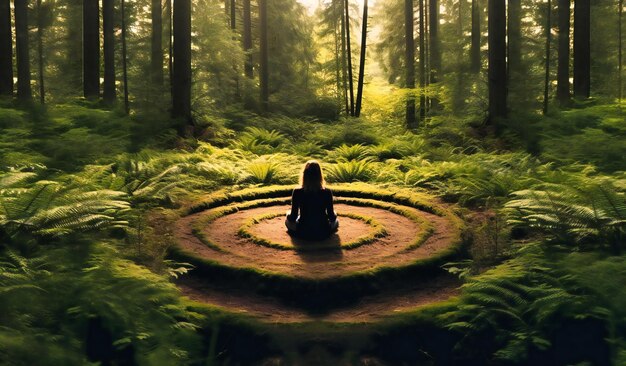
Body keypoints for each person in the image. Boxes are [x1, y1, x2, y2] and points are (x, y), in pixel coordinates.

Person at [285, 160, 339, 240]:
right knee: (336, 221)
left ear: (305, 174)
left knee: (287, 221)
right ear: (320, 175)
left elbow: (293, 217)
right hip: (323, 231)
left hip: (303, 231)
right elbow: (332, 217)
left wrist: (287, 214)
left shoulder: (297, 191)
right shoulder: (327, 192)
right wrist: (334, 214)